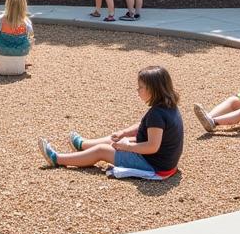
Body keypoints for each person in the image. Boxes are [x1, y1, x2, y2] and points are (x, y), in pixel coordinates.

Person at [38, 66, 183, 178]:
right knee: (114, 139)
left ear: (153, 90)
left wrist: (128, 147)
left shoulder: (156, 114)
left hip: (155, 165)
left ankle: (57, 159)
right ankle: (82, 145)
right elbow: (144, 127)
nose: (137, 90)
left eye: (140, 87)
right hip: (161, 160)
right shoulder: (167, 106)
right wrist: (124, 133)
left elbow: (152, 147)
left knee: (101, 151)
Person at [0, 0, 34, 70]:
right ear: (24, 6)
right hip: (20, 50)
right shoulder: (26, 21)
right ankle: (22, 61)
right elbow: (30, 34)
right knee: (27, 40)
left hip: (2, 49)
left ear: (8, 4)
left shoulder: (1, 18)